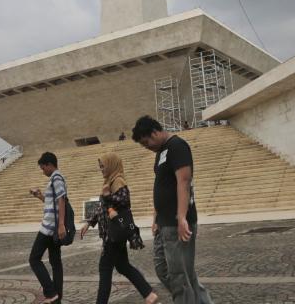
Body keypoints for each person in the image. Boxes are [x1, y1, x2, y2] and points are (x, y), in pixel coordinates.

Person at [132, 115, 213, 304]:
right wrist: (155, 217)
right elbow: (161, 186)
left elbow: (184, 181)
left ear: (155, 132)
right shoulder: (160, 153)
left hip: (177, 222)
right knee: (165, 269)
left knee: (179, 275)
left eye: (147, 142)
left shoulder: (177, 146)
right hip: (164, 222)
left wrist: (182, 218)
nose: (147, 147)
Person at [81, 152, 158, 304]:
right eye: (100, 166)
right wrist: (89, 222)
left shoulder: (118, 181)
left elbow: (124, 200)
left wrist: (108, 195)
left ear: (111, 165)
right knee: (123, 266)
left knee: (105, 268)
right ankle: (148, 294)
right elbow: (103, 207)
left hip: (113, 232)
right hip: (113, 232)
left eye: (103, 166)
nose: (101, 169)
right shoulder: (109, 181)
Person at [28, 152, 67, 304]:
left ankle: (51, 292)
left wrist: (62, 224)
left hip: (49, 227)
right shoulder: (55, 178)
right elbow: (54, 203)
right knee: (55, 262)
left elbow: (62, 199)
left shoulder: (56, 178)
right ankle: (57, 297)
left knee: (34, 259)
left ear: (50, 164)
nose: (42, 171)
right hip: (54, 227)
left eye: (43, 167)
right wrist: (40, 196)